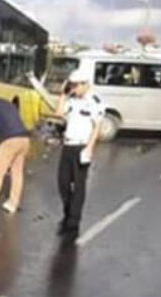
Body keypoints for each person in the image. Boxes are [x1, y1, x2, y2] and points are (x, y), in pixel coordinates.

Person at [54, 71, 105, 236]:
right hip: (68, 145)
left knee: (78, 185)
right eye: (72, 86)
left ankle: (73, 221)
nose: (74, 89)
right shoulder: (73, 100)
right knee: (62, 182)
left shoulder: (95, 101)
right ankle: (68, 212)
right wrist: (63, 93)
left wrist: (90, 148)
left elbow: (97, 127)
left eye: (76, 86)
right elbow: (59, 113)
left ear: (84, 84)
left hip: (82, 146)